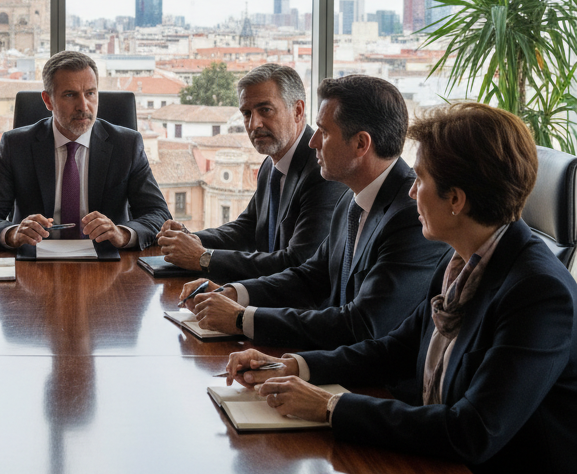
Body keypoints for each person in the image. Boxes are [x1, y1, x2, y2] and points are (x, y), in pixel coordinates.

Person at [224, 102, 577, 474]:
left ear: (456, 200)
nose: (411, 191)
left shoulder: (538, 294)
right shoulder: (462, 260)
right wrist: (293, 366)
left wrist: (328, 407)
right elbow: (395, 348)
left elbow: (472, 430)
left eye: (421, 179)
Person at [181, 75, 447, 349]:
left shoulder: (410, 216)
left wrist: (242, 319)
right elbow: (309, 277)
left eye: (325, 132)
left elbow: (363, 324)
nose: (313, 141)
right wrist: (234, 293)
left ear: (361, 144)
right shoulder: (351, 200)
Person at [0, 50, 170, 249]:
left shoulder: (127, 145)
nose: (84, 106)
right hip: (34, 264)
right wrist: (12, 233)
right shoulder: (17, 145)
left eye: (90, 93)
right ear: (48, 100)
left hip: (107, 263)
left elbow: (159, 214)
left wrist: (123, 233)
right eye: (70, 95)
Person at [156, 63, 341, 280]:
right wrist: (188, 239)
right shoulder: (271, 165)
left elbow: (297, 262)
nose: (254, 124)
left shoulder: (322, 171)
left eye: (265, 110)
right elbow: (247, 228)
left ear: (298, 111)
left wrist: (203, 257)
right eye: (246, 113)